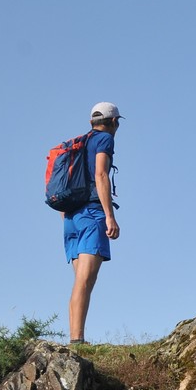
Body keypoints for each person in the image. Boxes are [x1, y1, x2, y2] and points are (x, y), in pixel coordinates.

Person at [64, 102, 122, 344]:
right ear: (114, 122)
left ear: (91, 122)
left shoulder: (78, 142)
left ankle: (76, 338)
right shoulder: (104, 139)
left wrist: (68, 216)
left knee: (82, 281)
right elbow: (101, 174)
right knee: (85, 281)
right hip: (91, 214)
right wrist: (109, 215)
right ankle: (77, 341)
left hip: (71, 217)